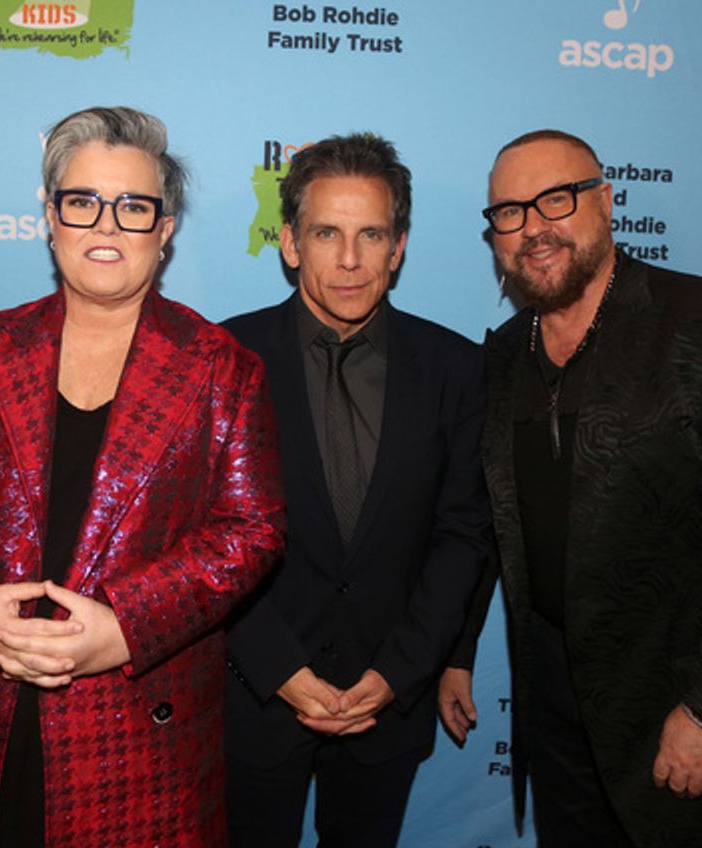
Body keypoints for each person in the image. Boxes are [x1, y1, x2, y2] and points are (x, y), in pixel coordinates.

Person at [0, 106, 285, 848]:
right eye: (83, 202)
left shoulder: (221, 369)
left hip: (139, 739)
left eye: (133, 207)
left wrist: (126, 627)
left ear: (164, 230)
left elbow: (251, 532)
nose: (106, 226)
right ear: (49, 215)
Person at [439, 129, 702, 847]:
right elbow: (497, 519)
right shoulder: (503, 354)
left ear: (606, 201)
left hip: (683, 699)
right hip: (554, 705)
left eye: (554, 200)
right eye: (510, 213)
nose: (534, 228)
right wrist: (458, 649)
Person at [222, 133, 491, 847]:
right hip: (254, 700)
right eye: (326, 233)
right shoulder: (223, 359)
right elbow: (199, 540)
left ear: (398, 246)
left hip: (388, 708)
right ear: (289, 243)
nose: (349, 260)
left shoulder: (457, 369)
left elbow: (463, 533)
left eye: (371, 234)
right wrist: (280, 669)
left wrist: (399, 673)